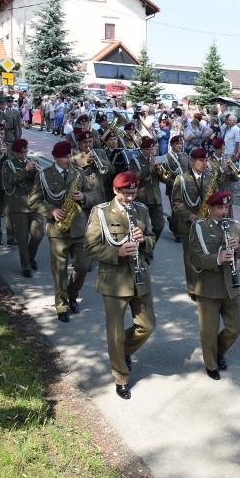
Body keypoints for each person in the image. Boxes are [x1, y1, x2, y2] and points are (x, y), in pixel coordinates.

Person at [84, 171, 155, 400]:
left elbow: (153, 238)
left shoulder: (141, 210)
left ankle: (120, 353)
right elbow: (90, 248)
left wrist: (144, 240)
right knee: (115, 333)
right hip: (114, 280)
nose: (130, 198)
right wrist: (117, 251)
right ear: (115, 191)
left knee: (147, 326)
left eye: (134, 193)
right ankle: (121, 377)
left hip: (140, 277)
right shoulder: (101, 212)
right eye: (126, 194)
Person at [29, 141, 96, 323]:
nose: (69, 160)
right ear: (55, 158)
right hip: (57, 229)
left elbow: (91, 195)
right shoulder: (43, 176)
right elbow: (33, 201)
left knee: (83, 265)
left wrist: (84, 197)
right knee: (59, 270)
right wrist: (50, 210)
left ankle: (72, 294)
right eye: (65, 157)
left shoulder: (79, 173)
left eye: (69, 156)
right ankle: (62, 305)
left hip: (78, 227)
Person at [189, 191, 240, 380]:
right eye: (219, 208)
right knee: (208, 330)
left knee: (237, 325)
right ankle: (211, 364)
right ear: (210, 208)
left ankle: (218, 351)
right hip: (208, 286)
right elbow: (194, 258)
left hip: (230, 285)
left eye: (226, 207)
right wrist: (217, 258)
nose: (223, 211)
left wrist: (237, 248)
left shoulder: (235, 226)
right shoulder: (199, 227)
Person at [171, 147, 211, 300]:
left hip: (206, 223)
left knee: (206, 254)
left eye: (206, 160)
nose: (204, 163)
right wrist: (188, 215)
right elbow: (176, 202)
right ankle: (193, 288)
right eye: (201, 160)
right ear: (193, 161)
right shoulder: (182, 179)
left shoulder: (209, 177)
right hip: (189, 224)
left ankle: (204, 285)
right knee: (190, 257)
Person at [2, 139, 45, 278]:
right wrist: (26, 169)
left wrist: (35, 172)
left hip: (34, 204)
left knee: (39, 234)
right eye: (21, 153)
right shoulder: (8, 164)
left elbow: (41, 179)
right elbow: (12, 180)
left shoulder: (33, 162)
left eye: (25, 151)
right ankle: (26, 265)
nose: (24, 155)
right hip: (18, 205)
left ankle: (31, 257)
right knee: (22, 238)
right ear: (14, 152)